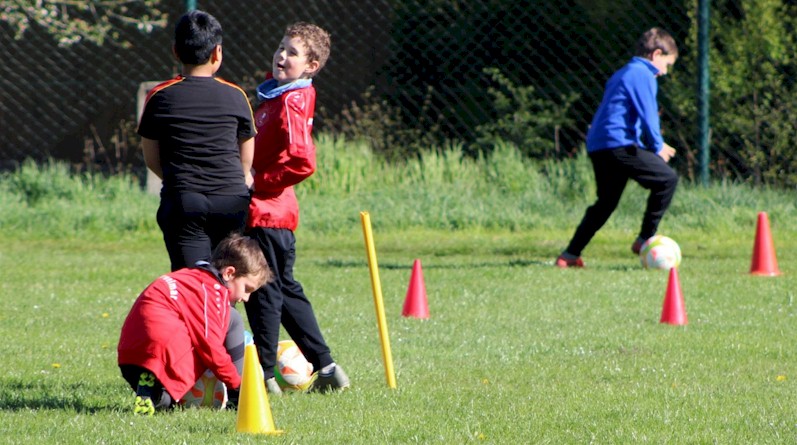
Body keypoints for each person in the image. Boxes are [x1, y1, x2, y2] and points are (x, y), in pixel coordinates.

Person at [243, 22, 349, 395]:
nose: (281, 56)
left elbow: (302, 161)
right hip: (272, 211)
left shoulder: (293, 99)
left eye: (292, 52)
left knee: (264, 290)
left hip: (269, 212)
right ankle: (327, 367)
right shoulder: (276, 96)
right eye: (280, 47)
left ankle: (265, 376)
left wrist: (259, 182)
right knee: (285, 289)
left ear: (312, 65)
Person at [138, 10, 256, 272]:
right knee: (226, 281)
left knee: (191, 282)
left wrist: (179, 179)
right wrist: (238, 177)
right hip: (230, 200)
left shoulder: (159, 96)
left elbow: (151, 158)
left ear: (175, 52)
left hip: (184, 200)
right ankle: (225, 315)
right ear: (218, 53)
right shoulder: (236, 95)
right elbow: (246, 158)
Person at [556, 27, 680, 268]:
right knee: (667, 179)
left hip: (600, 146)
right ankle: (645, 239)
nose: (665, 72)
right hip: (618, 144)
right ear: (656, 54)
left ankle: (569, 255)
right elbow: (648, 114)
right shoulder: (642, 74)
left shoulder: (623, 72)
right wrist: (657, 145)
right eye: (667, 64)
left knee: (606, 203)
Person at [118, 234, 271, 415]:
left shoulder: (187, 276)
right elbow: (211, 347)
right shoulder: (213, 293)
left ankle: (153, 395)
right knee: (234, 319)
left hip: (130, 355)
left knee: (167, 406)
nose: (246, 298)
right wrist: (236, 384)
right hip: (163, 348)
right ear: (229, 273)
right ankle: (240, 398)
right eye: (247, 289)